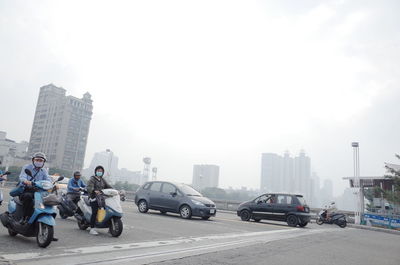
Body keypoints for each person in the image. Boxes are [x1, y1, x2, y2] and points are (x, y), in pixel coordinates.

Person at [19, 152, 51, 222]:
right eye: (37, 160)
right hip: (27, 189)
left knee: (49, 199)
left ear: (43, 162)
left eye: (41, 161)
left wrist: (52, 184)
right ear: (33, 160)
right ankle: (24, 217)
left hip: (39, 191)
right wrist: (26, 181)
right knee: (28, 197)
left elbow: (48, 180)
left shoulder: (44, 170)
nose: (39, 162)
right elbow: (22, 177)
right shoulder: (27, 167)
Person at [86, 166, 112, 235]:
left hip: (101, 198)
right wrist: (94, 191)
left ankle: (110, 227)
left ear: (103, 172)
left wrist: (114, 191)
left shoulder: (102, 180)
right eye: (98, 170)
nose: (99, 172)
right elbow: (89, 187)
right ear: (96, 171)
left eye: (101, 171)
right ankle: (92, 228)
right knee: (95, 212)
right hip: (94, 198)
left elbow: (108, 186)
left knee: (107, 210)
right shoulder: (92, 179)